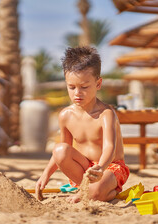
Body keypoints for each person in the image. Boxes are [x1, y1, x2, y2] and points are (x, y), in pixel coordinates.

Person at [35, 46, 129, 203]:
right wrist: (45, 175)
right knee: (60, 149)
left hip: (110, 168)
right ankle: (89, 190)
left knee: (97, 191)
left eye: (84, 87)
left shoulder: (106, 114)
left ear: (98, 84)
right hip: (84, 170)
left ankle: (97, 191)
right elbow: (62, 152)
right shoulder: (66, 115)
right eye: (71, 87)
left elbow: (109, 149)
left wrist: (100, 168)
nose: (77, 93)